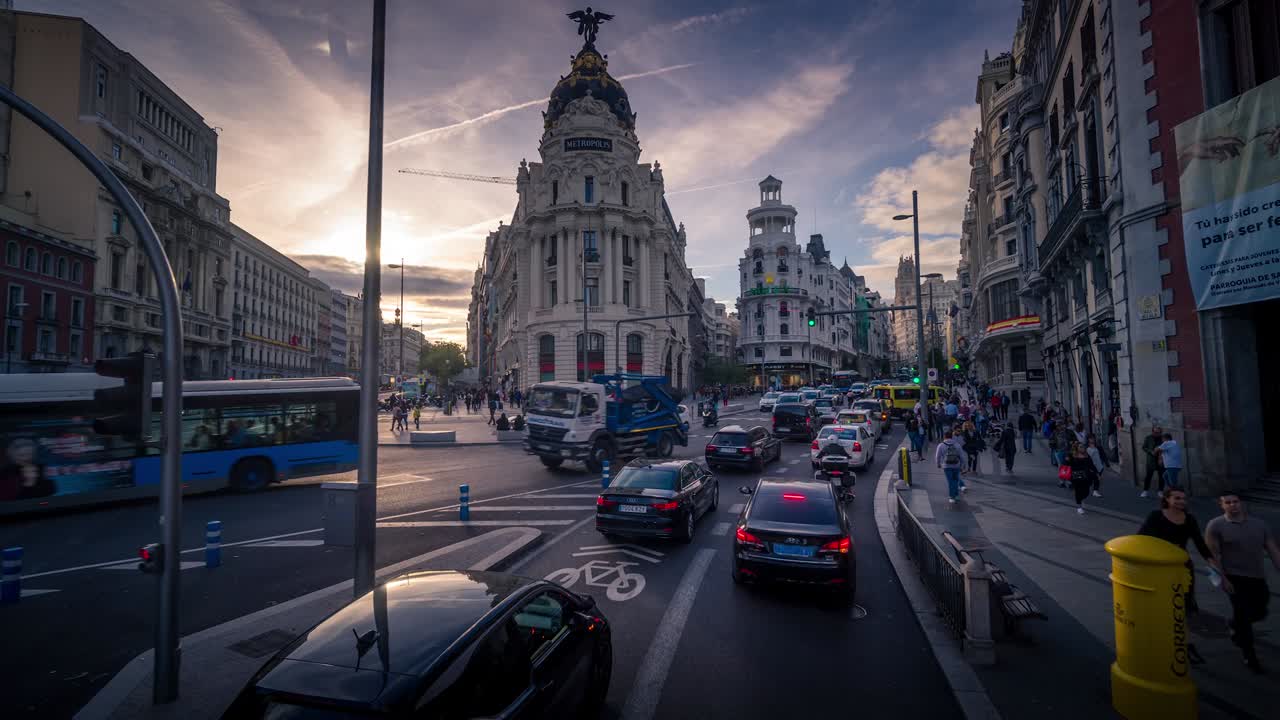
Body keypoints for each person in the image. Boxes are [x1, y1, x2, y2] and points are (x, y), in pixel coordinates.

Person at [1205, 493, 1280, 673]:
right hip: (1234, 578)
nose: (1233, 505)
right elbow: (1212, 556)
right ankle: (1249, 654)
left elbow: (1273, 549)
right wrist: (1222, 579)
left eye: (1235, 502)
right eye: (1228, 502)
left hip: (1257, 577)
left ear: (1242, 503)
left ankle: (1234, 624)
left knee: (1260, 611)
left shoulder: (1259, 525)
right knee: (1244, 617)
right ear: (1221, 505)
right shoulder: (1216, 525)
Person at [935, 431, 969, 504]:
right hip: (956, 465)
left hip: (946, 466)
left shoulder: (941, 445)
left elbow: (937, 456)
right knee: (956, 480)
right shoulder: (957, 445)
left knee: (950, 481)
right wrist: (963, 465)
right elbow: (962, 456)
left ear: (944, 436)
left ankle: (952, 497)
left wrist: (938, 464)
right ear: (952, 436)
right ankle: (956, 495)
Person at [1066, 442, 1098, 515]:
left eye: (1083, 446)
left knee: (1086, 492)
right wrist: (1067, 460)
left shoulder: (1086, 455)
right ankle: (1079, 507)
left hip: (1086, 476)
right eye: (1080, 447)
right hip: (1076, 476)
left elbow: (1091, 465)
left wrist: (1097, 473)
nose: (1082, 448)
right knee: (1078, 491)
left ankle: (1081, 499)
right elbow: (1067, 464)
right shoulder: (1072, 455)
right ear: (1077, 448)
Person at [1140, 425, 1164, 497]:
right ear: (1153, 431)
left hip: (1160, 460)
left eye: (1159, 432)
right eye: (1155, 432)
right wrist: (1150, 451)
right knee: (1148, 476)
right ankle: (1145, 491)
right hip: (1151, 460)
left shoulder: (1163, 438)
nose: (1157, 434)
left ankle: (1160, 491)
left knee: (1161, 476)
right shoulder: (1148, 438)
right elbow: (1144, 447)